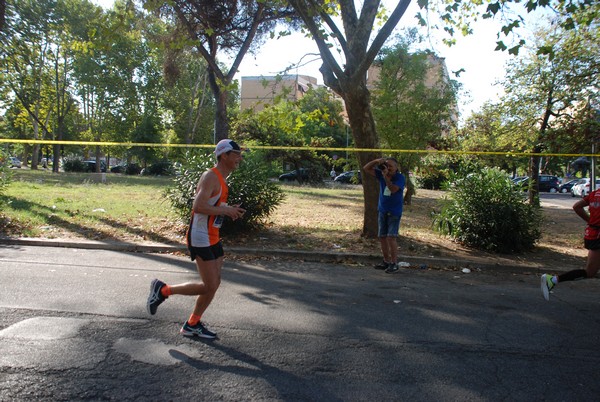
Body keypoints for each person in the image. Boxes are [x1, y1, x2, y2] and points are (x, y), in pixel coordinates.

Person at [146, 139, 246, 338]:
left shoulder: (221, 179)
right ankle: (163, 290)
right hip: (200, 236)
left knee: (214, 283)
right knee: (209, 285)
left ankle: (192, 324)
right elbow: (198, 207)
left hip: (212, 235)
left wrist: (228, 210)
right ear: (224, 155)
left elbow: (212, 207)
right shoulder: (211, 176)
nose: (239, 158)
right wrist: (225, 211)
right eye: (236, 154)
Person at [540, 189, 600, 300]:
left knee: (590, 271)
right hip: (597, 237)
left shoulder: (595, 193)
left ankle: (552, 280)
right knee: (590, 272)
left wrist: (590, 221)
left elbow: (577, 206)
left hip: (593, 234)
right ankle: (552, 280)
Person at [363, 157, 406, 274]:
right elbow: (366, 168)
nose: (389, 168)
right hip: (382, 210)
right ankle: (386, 261)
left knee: (391, 237)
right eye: (387, 166)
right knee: (382, 237)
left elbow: (392, 189)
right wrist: (377, 161)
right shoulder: (381, 174)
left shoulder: (400, 177)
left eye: (391, 166)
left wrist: (386, 177)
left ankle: (394, 263)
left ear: (397, 168)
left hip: (394, 212)